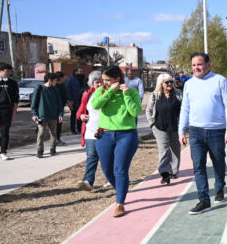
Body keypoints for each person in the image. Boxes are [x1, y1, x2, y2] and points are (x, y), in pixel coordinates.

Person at [179, 52, 227, 214]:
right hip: (196, 131)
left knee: (219, 163)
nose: (196, 68)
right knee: (198, 166)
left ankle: (219, 187)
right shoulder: (189, 84)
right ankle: (204, 200)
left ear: (208, 65)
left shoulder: (220, 81)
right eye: (193, 65)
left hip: (217, 131)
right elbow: (185, 108)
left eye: (200, 64)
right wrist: (181, 130)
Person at [91, 66, 141, 217]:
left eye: (107, 80)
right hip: (104, 135)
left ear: (117, 79)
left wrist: (125, 94)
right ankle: (121, 189)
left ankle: (119, 203)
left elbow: (135, 112)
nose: (104, 83)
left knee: (120, 169)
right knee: (107, 171)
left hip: (126, 135)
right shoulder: (101, 91)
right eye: (103, 80)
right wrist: (110, 91)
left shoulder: (131, 91)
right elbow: (95, 105)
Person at [146, 73, 182, 185]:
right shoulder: (155, 95)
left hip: (175, 126)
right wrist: (152, 124)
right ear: (161, 84)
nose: (170, 84)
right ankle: (164, 172)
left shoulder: (178, 94)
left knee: (175, 149)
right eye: (167, 82)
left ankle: (173, 171)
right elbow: (149, 110)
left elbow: (184, 108)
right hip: (160, 127)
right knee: (164, 149)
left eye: (171, 82)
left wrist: (183, 124)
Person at [76, 71, 104, 191]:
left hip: (105, 131)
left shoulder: (108, 94)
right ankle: (88, 181)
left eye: (101, 82)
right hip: (90, 131)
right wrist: (81, 116)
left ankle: (110, 180)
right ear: (92, 84)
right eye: (97, 82)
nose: (99, 84)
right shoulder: (87, 95)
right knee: (91, 157)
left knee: (106, 158)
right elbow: (80, 111)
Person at [31, 72, 64, 158]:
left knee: (53, 133)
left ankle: (53, 149)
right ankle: (39, 151)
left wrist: (60, 113)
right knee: (41, 133)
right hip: (42, 116)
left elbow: (59, 103)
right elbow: (34, 102)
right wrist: (34, 113)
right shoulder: (39, 88)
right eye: (55, 81)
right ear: (50, 80)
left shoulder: (56, 89)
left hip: (53, 116)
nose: (56, 82)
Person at [0, 63, 19, 161]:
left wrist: (14, 113)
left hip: (7, 109)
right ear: (0, 71)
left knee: (5, 131)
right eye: (7, 71)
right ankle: (0, 144)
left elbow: (15, 99)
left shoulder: (12, 82)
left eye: (10, 71)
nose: (9, 73)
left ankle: (3, 151)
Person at [66, 67, 86, 135]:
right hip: (74, 100)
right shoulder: (71, 80)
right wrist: (70, 100)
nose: (81, 72)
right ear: (75, 72)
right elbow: (68, 90)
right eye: (80, 71)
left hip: (82, 100)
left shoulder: (83, 79)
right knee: (73, 115)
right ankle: (73, 129)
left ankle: (80, 129)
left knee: (81, 114)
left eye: (82, 71)